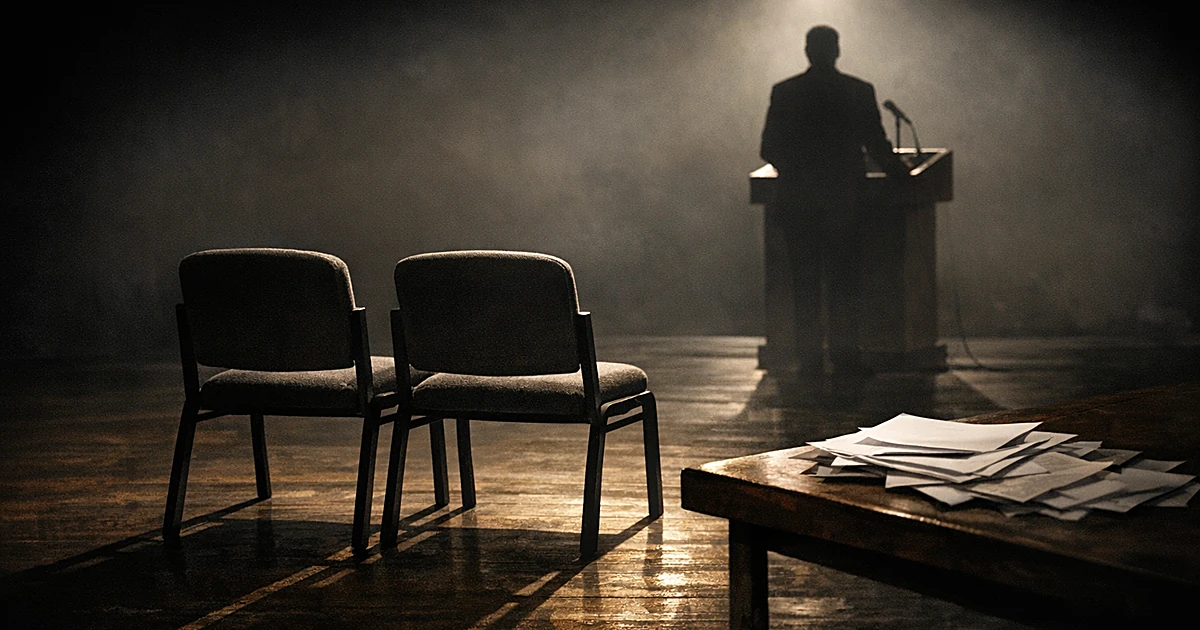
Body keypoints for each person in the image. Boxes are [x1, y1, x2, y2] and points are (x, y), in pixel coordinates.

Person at [760, 25, 909, 381]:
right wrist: (900, 175)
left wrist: (800, 174)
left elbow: (768, 148)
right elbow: (875, 144)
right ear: (837, 50)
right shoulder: (858, 91)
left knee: (805, 287)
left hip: (799, 206)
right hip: (846, 204)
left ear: (807, 51)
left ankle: (809, 363)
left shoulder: (786, 92)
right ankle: (846, 360)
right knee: (845, 286)